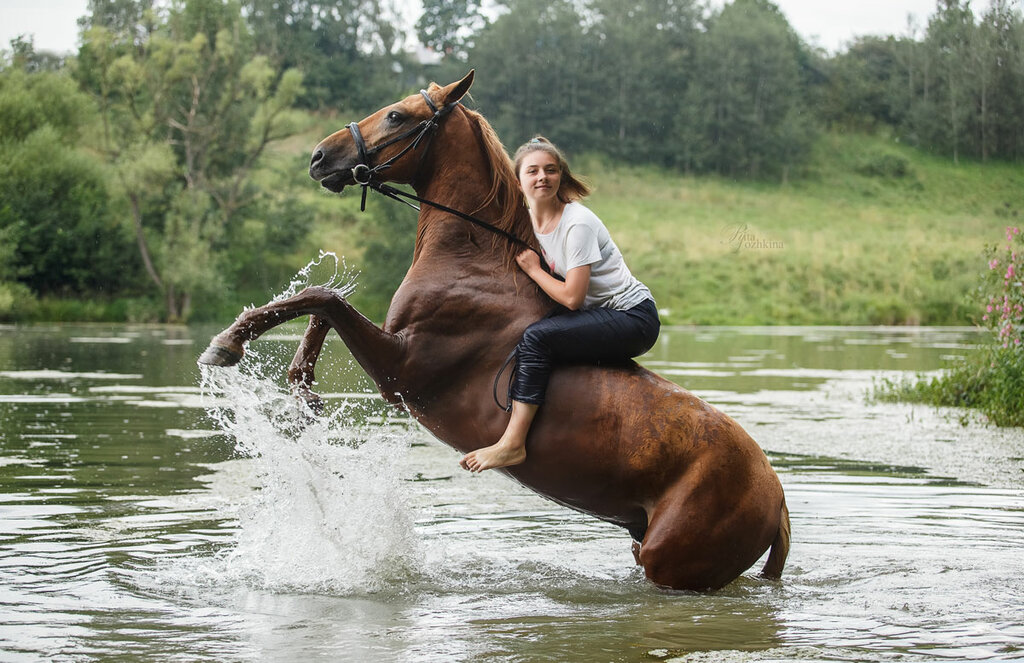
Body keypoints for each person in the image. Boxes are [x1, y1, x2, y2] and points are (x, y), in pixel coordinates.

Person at [459, 136, 660, 473]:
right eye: (533, 171)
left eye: (551, 171)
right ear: (518, 181)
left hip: (633, 317)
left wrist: (535, 270)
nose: (543, 177)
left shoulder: (576, 223)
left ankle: (513, 444)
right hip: (598, 314)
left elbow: (572, 297)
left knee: (538, 337)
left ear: (561, 177)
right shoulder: (527, 220)